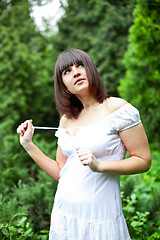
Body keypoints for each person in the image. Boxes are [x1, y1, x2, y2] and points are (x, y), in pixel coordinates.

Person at [17, 49, 151, 240]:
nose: (76, 72)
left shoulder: (118, 109)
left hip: (100, 219)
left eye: (80, 65)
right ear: (64, 86)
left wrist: (100, 165)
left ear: (91, 70)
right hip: (65, 216)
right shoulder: (66, 120)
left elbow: (144, 160)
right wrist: (29, 145)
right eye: (67, 71)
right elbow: (60, 172)